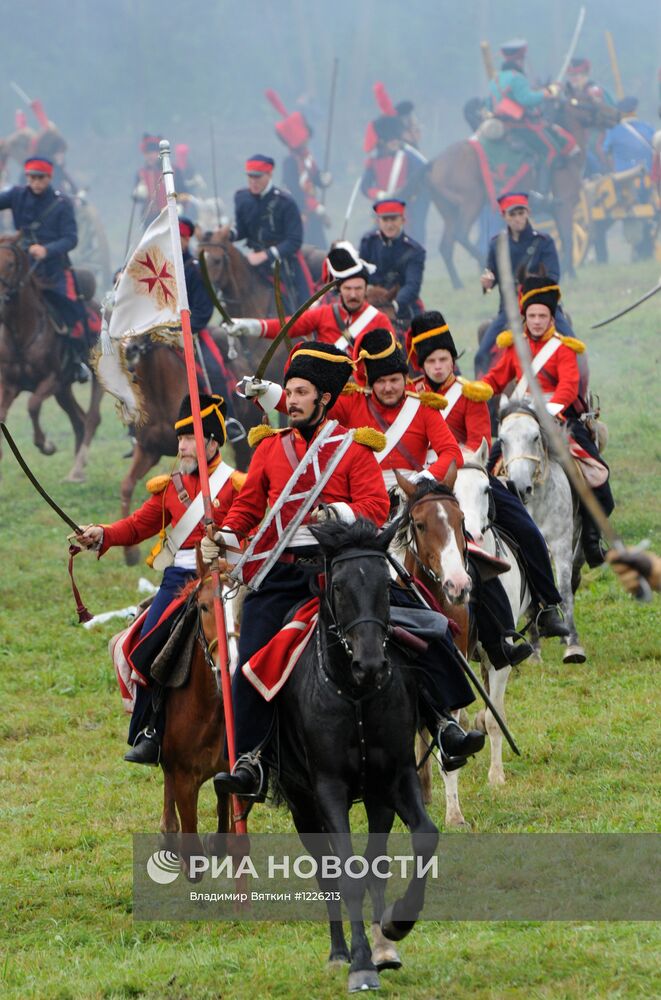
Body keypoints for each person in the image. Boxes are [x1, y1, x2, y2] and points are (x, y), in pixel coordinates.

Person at [207, 343, 485, 799]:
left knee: (424, 625)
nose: (290, 401)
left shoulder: (352, 451)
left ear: (323, 399)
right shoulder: (269, 451)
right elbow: (246, 508)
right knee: (248, 662)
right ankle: (251, 761)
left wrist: (333, 513)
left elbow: (375, 507)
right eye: (289, 392)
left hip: (345, 568)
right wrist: (224, 535)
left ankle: (443, 724)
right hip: (281, 574)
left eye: (300, 392)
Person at [75, 394, 243, 765]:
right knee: (145, 649)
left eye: (191, 438)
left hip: (223, 577)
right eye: (181, 438)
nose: (182, 445)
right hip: (177, 578)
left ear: (213, 443)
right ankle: (150, 730)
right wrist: (101, 533)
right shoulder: (169, 487)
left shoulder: (236, 485)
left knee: (250, 647)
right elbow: (137, 526)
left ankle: (258, 735)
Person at [407, 310, 567, 652]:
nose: (438, 366)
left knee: (526, 528)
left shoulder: (472, 393)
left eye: (444, 359)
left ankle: (547, 604)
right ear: (422, 365)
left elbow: (480, 442)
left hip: (468, 473)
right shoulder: (409, 396)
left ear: (453, 360)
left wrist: (449, 464)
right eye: (432, 361)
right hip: (423, 483)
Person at [478, 275, 614, 568]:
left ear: (552, 318)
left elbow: (568, 386)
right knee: (486, 474)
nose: (537, 321)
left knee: (597, 474)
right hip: (521, 419)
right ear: (524, 317)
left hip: (559, 418)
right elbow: (496, 377)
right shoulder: (515, 346)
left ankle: (590, 539)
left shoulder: (564, 348)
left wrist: (548, 411)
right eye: (532, 315)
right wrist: (479, 388)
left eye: (542, 316)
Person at [0, 155, 89, 381]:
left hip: (51, 269)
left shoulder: (62, 204)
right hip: (20, 267)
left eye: (40, 178)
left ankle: (76, 360)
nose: (36, 182)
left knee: (69, 310)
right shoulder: (17, 195)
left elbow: (71, 239)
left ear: (49, 178)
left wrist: (47, 250)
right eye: (32, 177)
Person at [223, 242, 393, 352]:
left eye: (358, 289)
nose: (353, 294)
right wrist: (247, 325)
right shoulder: (323, 314)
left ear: (365, 290)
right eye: (348, 288)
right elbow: (286, 326)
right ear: (340, 289)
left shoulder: (380, 321)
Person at [474, 191, 573, 377]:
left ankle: (580, 402)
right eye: (513, 214)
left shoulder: (543, 242)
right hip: (509, 310)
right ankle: (484, 404)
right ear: (504, 216)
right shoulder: (497, 244)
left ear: (528, 213)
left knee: (573, 346)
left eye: (521, 213)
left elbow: (553, 276)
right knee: (481, 356)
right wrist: (487, 283)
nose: (518, 219)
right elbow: (491, 274)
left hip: (544, 306)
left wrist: (531, 283)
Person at [488, 39, 577, 195]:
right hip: (519, 126)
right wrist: (548, 92)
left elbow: (489, 104)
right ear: (520, 59)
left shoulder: (495, 79)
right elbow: (526, 99)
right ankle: (542, 194)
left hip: (501, 124)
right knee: (551, 150)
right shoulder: (517, 77)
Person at [230, 153, 311, 312]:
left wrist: (266, 255)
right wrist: (230, 234)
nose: (253, 182)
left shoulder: (285, 202)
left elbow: (294, 240)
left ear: (269, 174)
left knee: (304, 306)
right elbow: (242, 229)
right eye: (250, 177)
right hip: (254, 259)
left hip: (285, 262)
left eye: (258, 177)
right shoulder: (241, 198)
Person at [179, 217, 233, 404]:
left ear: (187, 240)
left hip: (189, 332)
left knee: (214, 371)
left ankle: (226, 420)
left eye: (180, 238)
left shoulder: (195, 269)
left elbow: (203, 311)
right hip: (154, 333)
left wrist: (181, 331)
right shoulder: (154, 266)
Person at [360, 115, 429, 244]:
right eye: (392, 141)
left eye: (397, 140)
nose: (395, 143)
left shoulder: (407, 157)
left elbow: (419, 178)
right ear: (383, 142)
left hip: (405, 209)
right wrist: (379, 194)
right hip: (382, 209)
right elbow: (365, 187)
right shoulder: (373, 161)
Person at [271, 102, 331, 249]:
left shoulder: (308, 158)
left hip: (312, 213)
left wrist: (322, 180)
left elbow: (315, 177)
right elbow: (295, 190)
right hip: (301, 214)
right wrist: (314, 207)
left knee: (322, 248)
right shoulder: (290, 163)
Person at [359, 198, 425, 326]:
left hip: (402, 304)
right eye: (385, 220)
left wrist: (394, 304)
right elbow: (361, 275)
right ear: (378, 221)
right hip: (370, 301)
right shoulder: (368, 242)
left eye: (393, 219)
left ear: (403, 220)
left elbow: (412, 285)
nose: (389, 225)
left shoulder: (415, 250)